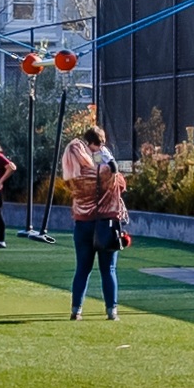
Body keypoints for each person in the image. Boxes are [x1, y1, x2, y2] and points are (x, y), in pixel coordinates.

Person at [56, 115, 129, 320]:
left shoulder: (75, 175)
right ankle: (111, 311)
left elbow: (87, 171)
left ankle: (76, 310)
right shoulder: (105, 171)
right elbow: (119, 182)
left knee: (82, 269)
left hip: (83, 223)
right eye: (99, 143)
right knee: (109, 269)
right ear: (92, 145)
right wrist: (108, 158)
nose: (100, 147)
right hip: (106, 222)